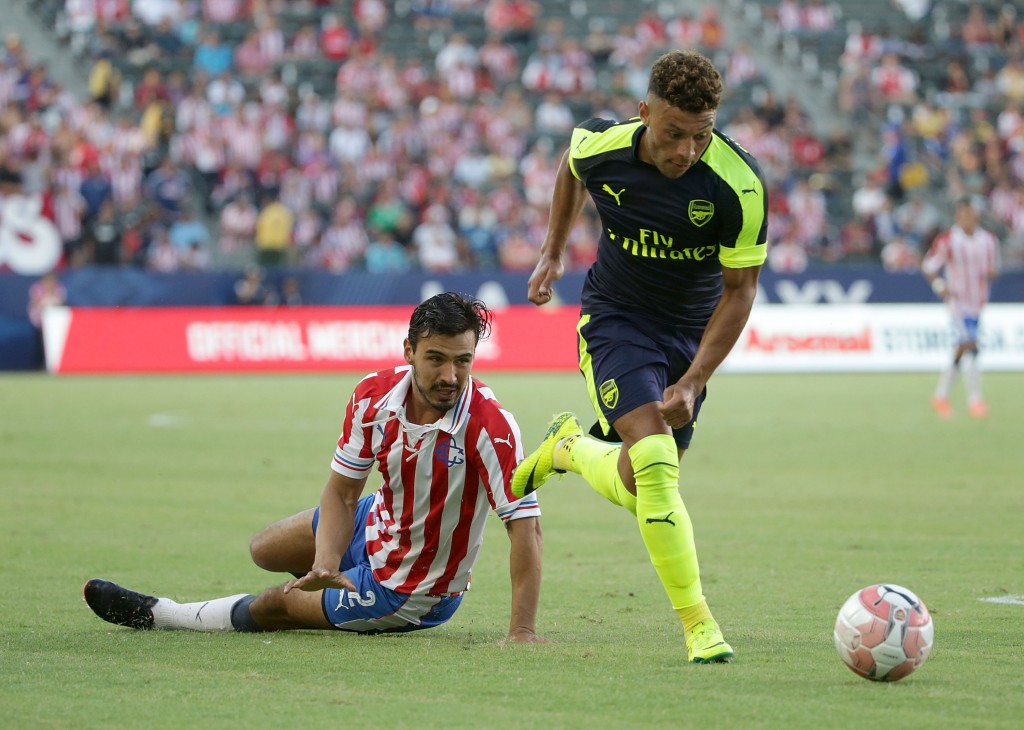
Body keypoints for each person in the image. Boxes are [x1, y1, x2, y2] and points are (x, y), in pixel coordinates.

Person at [84, 293, 547, 643]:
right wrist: (326, 559)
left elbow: (525, 527)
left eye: (463, 361)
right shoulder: (373, 396)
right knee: (265, 549)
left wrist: (522, 630)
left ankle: (161, 614)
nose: (450, 376)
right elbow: (343, 492)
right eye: (436, 359)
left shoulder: (491, 427)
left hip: (411, 588)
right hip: (376, 523)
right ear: (409, 350)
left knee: (276, 607)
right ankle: (334, 585)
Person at [513, 49, 768, 664]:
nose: (687, 150)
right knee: (654, 458)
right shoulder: (604, 146)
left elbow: (740, 292)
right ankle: (699, 625)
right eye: (674, 133)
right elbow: (571, 167)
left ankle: (568, 449)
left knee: (639, 482)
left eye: (701, 135)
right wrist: (553, 250)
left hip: (689, 338)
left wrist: (695, 379)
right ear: (644, 113)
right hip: (616, 320)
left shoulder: (739, 184)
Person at [921, 198, 1001, 419]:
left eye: (971, 213)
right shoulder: (948, 240)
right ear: (958, 216)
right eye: (963, 213)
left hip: (978, 302)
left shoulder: (989, 240)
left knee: (961, 349)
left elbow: (994, 269)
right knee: (971, 345)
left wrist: (989, 274)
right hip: (957, 303)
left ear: (977, 214)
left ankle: (941, 396)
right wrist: (940, 286)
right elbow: (929, 266)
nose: (967, 218)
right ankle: (975, 400)